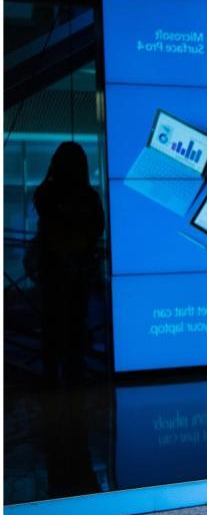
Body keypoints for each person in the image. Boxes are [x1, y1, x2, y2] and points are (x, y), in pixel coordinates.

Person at [32, 142, 105, 387]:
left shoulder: (45, 194)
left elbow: (52, 225)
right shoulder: (89, 196)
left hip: (54, 269)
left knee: (53, 322)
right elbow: (97, 228)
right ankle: (73, 373)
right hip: (78, 271)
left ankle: (52, 375)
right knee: (75, 320)